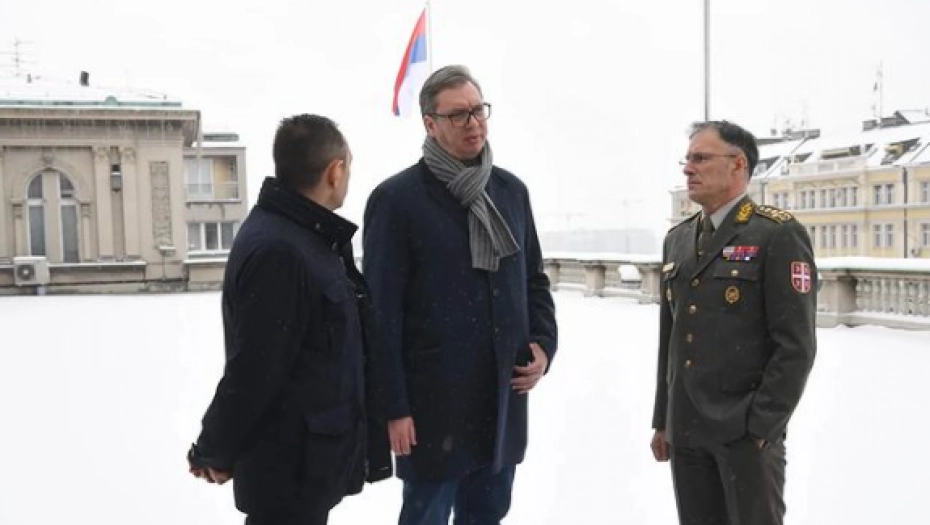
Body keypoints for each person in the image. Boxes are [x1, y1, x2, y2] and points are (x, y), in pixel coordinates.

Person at [362, 65, 558, 525]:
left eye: (478, 110)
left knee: (488, 515)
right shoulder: (397, 200)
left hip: (501, 397)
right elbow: (380, 313)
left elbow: (533, 280)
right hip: (433, 407)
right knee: (425, 516)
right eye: (458, 115)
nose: (473, 123)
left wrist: (544, 345)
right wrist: (393, 407)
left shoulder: (510, 191)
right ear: (430, 124)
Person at [187, 114, 392, 525]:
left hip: (304, 468)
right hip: (289, 470)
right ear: (335, 171)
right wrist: (215, 449)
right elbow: (254, 369)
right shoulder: (281, 251)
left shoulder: (303, 237)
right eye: (349, 166)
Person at [651, 120, 817, 525]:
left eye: (701, 158)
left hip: (743, 432)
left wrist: (761, 427)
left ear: (738, 164)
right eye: (687, 159)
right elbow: (671, 339)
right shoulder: (678, 239)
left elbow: (795, 346)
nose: (689, 168)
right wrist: (663, 419)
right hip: (687, 429)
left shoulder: (776, 234)